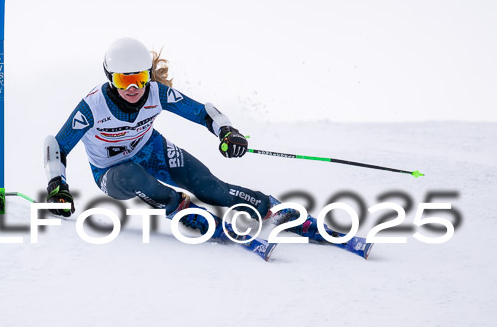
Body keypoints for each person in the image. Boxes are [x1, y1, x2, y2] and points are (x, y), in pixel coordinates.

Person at [42, 37, 327, 241]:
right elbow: (58, 144)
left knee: (211, 188)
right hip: (111, 172)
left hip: (152, 149)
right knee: (133, 176)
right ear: (110, 78)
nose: (133, 88)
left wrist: (227, 131)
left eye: (139, 78)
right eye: (123, 80)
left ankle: (272, 209)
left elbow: (203, 112)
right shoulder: (93, 106)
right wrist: (58, 186)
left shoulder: (157, 93)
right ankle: (184, 211)